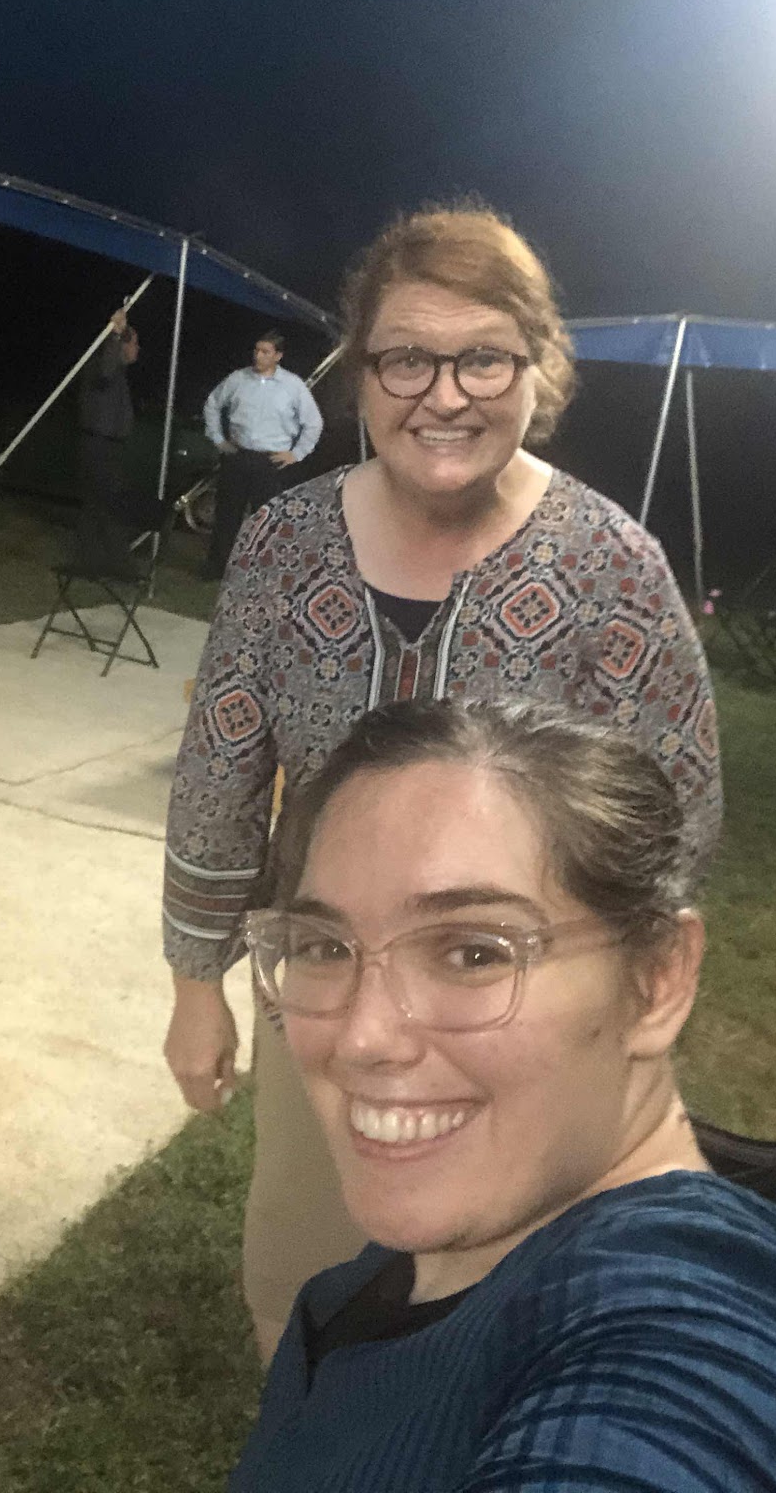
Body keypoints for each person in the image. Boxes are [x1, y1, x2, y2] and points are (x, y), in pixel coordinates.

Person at [162, 203, 724, 1360]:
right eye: (406, 358)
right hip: (327, 991)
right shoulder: (281, 546)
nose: (444, 394)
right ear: (361, 374)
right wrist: (193, 982)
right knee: (302, 1272)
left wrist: (604, 1008)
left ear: (536, 368)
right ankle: (314, 1435)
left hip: (520, 1015)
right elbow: (221, 766)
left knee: (511, 1311)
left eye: (483, 358)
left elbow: (672, 818)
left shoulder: (610, 566)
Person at [231, 699, 776, 1492]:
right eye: (323, 946)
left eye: (474, 953)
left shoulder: (695, 1356)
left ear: (656, 980)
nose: (362, 1037)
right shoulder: (494, 1227)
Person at [202, 330, 323, 578]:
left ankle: (260, 572)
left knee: (267, 519)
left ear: (278, 356)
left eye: (265, 352)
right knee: (227, 515)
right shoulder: (238, 379)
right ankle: (218, 568)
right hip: (239, 455)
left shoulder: (292, 385)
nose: (258, 356)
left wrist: (296, 453)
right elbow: (213, 404)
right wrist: (218, 439)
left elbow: (313, 422)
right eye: (257, 350)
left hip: (270, 461)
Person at [74, 306, 140, 575]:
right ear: (122, 346)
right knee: (110, 504)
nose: (137, 349)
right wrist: (115, 335)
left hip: (106, 444)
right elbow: (105, 371)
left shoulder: (117, 372)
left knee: (95, 505)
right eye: (134, 343)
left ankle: (91, 560)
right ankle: (118, 563)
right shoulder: (101, 366)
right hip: (99, 444)